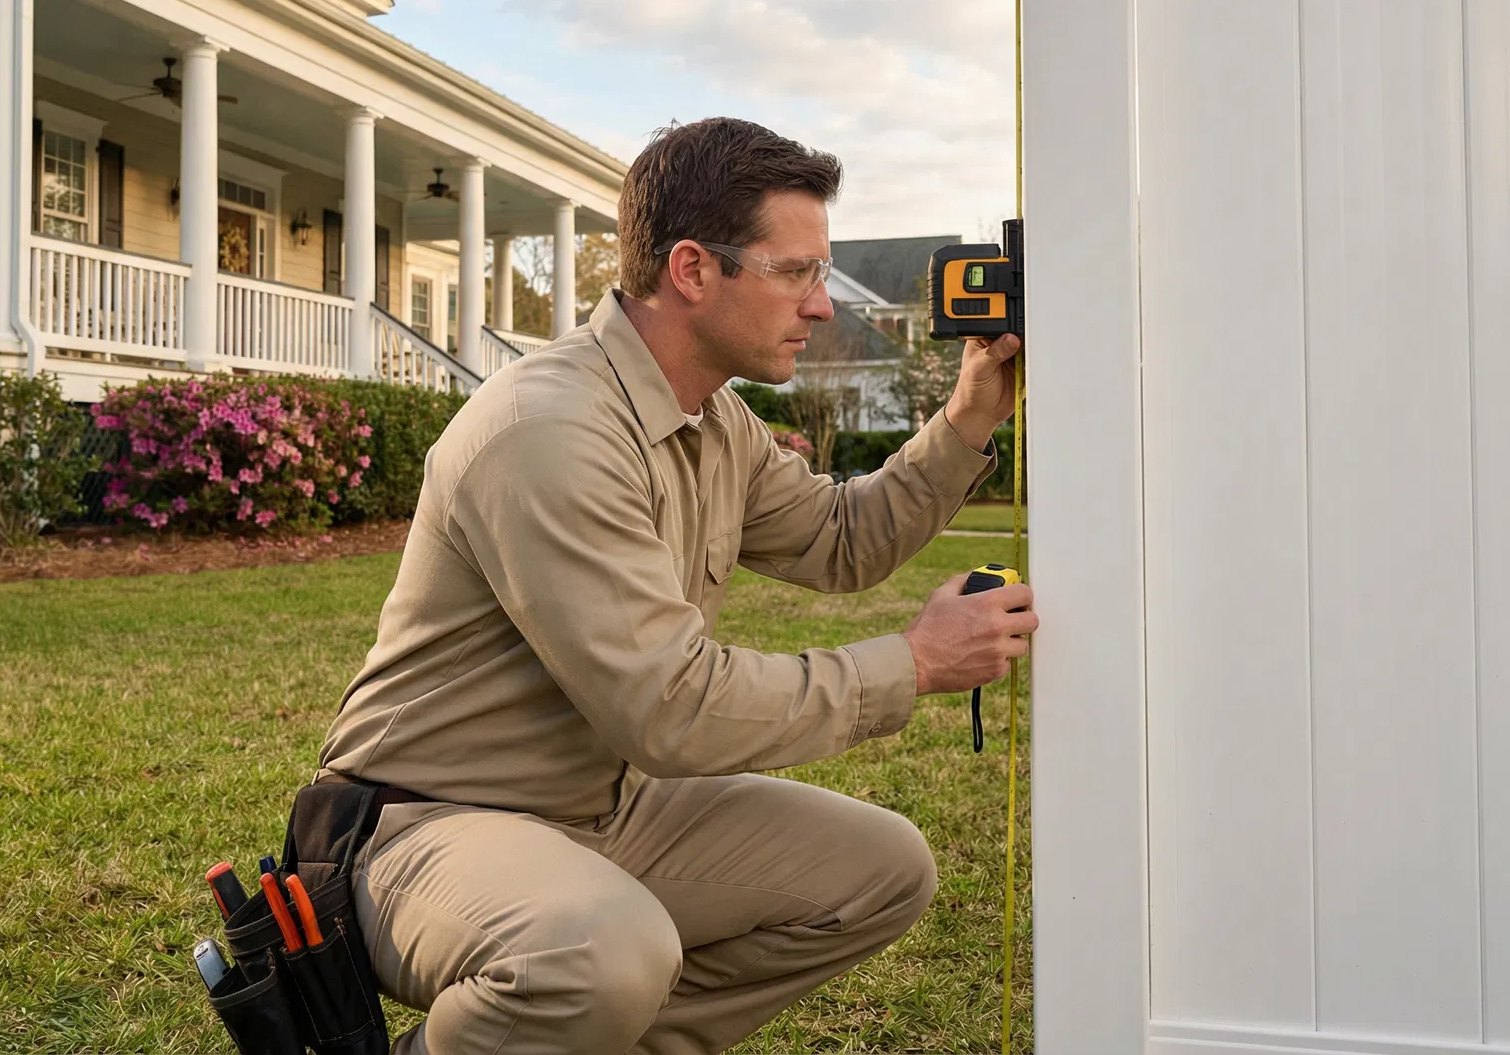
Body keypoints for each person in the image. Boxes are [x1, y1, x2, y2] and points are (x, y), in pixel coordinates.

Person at [317, 117, 1037, 1055]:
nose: (821, 306)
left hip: (605, 811)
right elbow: (670, 707)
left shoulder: (714, 421)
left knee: (882, 868)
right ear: (693, 270)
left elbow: (841, 539)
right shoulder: (549, 428)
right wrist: (913, 664)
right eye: (797, 272)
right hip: (424, 826)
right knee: (601, 950)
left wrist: (969, 413)